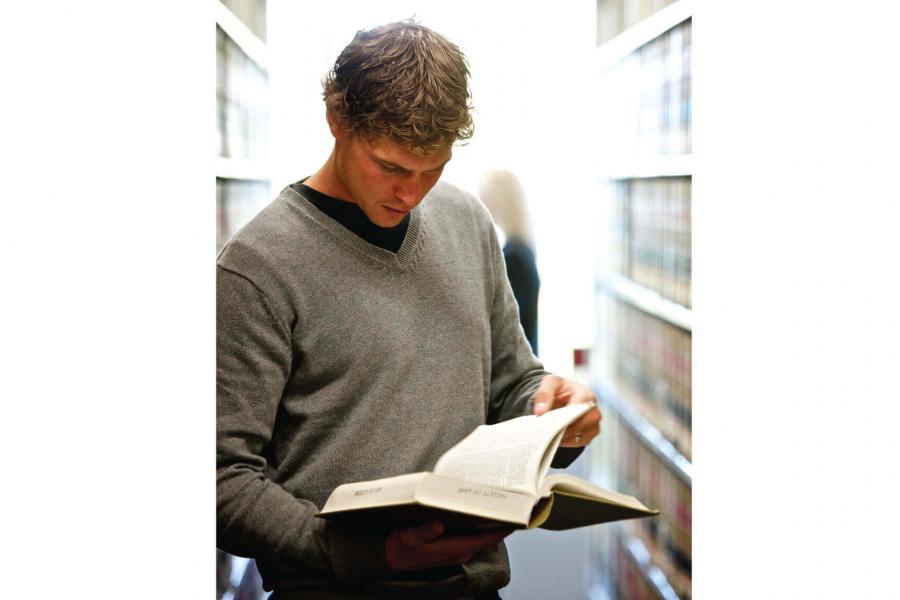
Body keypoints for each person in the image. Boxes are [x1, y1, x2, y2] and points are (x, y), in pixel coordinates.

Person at [216, 20, 601, 599]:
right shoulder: (256, 266)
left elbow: (511, 381)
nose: (411, 194)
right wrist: (358, 553)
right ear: (336, 121)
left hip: (474, 589)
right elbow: (222, 479)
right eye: (391, 167)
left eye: (433, 168)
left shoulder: (467, 220)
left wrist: (556, 416)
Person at [478, 170, 541, 355]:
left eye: (486, 199)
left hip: (516, 363)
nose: (482, 206)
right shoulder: (521, 248)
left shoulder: (514, 257)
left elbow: (505, 323)